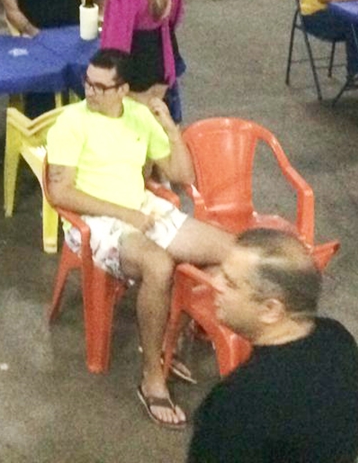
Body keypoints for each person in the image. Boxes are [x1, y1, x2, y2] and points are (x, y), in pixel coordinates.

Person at [45, 48, 232, 429]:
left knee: (232, 250)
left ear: (123, 89)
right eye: (88, 83)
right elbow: (60, 192)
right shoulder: (71, 122)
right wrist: (125, 214)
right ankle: (152, 376)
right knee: (158, 264)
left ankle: (171, 336)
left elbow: (183, 176)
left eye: (101, 87)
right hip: (94, 222)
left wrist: (171, 129)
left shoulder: (139, 116)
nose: (90, 92)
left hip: (142, 207)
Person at [188, 229, 358, 463]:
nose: (215, 283)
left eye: (230, 283)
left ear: (271, 310)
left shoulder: (238, 404)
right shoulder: (340, 341)